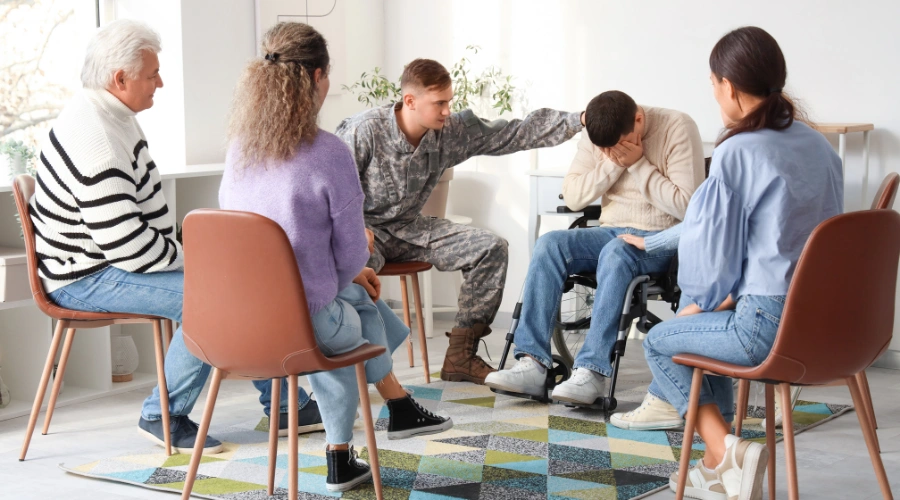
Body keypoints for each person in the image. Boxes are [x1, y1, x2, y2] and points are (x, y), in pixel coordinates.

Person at [28, 19, 323, 458]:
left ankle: (285, 407)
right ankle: (162, 414)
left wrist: (204, 257)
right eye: (152, 74)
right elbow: (127, 246)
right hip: (85, 276)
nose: (160, 82)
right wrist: (197, 262)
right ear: (120, 78)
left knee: (236, 288)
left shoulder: (112, 115)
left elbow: (144, 216)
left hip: (105, 261)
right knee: (217, 300)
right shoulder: (96, 137)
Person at [610, 26, 843, 500]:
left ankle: (726, 451)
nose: (714, 94)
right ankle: (718, 465)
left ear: (729, 87)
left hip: (768, 327)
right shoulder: (819, 146)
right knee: (710, 329)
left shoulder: (738, 149)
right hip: (828, 325)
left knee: (660, 341)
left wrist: (700, 302)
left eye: (713, 85)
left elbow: (711, 257)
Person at [218, 22, 453, 492]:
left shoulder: (239, 147)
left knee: (352, 296)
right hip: (299, 323)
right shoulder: (328, 152)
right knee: (357, 319)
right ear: (319, 77)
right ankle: (343, 455)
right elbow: (347, 255)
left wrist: (348, 274)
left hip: (235, 319)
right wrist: (357, 263)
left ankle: (399, 408)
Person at [335, 59, 586, 384]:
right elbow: (330, 189)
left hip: (411, 228)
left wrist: (579, 121)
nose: (446, 110)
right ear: (410, 101)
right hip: (364, 233)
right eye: (439, 103)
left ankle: (460, 357)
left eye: (448, 101)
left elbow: (514, 132)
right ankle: (349, 369)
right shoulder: (363, 130)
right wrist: (353, 231)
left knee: (490, 247)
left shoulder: (450, 132)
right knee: (350, 265)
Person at [484, 91, 705, 407]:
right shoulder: (597, 131)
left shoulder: (676, 126)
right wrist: (614, 165)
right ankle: (532, 364)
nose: (610, 152)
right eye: (604, 149)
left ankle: (591, 371)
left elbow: (688, 207)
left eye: (617, 145)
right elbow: (574, 197)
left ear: (639, 120)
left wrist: (638, 165)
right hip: (611, 231)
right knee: (550, 244)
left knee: (617, 251)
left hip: (660, 240)